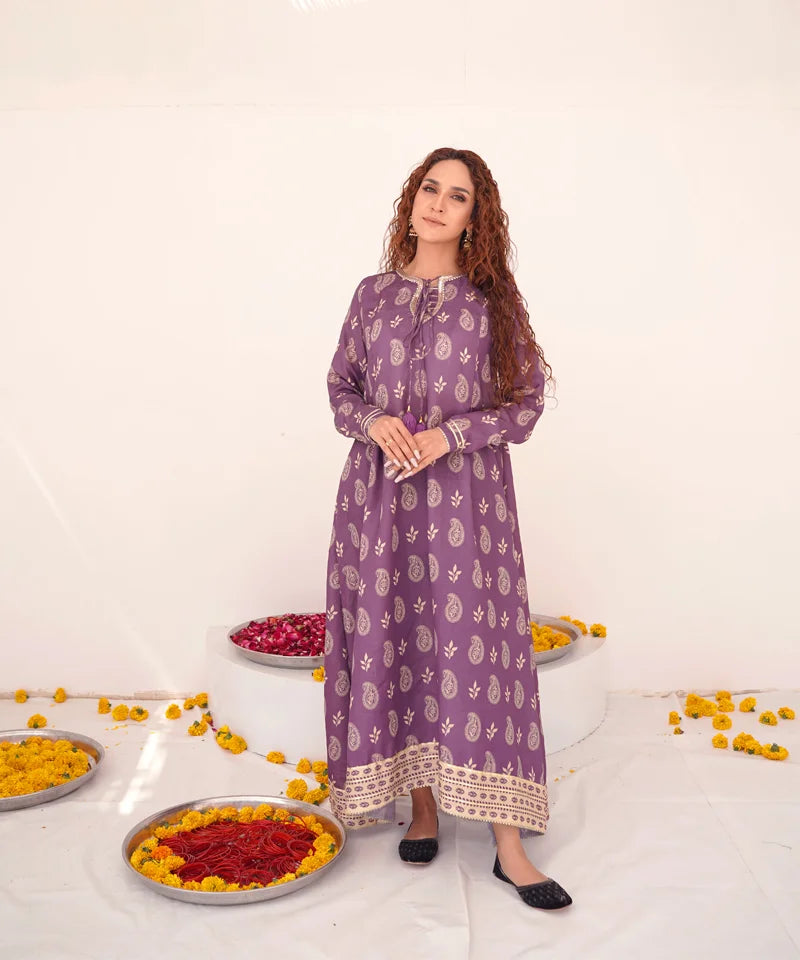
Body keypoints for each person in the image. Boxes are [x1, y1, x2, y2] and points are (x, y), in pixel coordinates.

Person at [323, 147, 572, 910]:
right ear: (411, 200)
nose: (437, 203)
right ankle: (422, 807)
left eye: (457, 196)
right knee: (399, 637)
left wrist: (450, 436)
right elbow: (340, 387)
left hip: (468, 504)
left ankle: (508, 846)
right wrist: (375, 421)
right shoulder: (372, 295)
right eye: (429, 188)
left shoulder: (492, 301)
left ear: (475, 217)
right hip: (381, 501)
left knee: (478, 649)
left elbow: (524, 404)